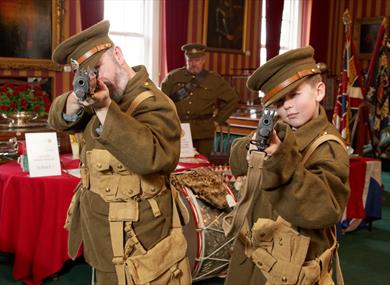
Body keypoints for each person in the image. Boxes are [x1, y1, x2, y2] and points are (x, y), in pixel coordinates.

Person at [48, 20, 191, 285]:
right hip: (100, 229)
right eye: (87, 75)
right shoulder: (97, 97)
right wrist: (76, 98)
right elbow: (56, 119)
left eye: (98, 68)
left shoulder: (154, 102)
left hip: (140, 237)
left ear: (118, 54)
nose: (96, 79)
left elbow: (155, 158)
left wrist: (104, 109)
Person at [224, 46, 350, 285]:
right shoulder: (280, 129)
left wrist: (280, 159)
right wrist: (253, 147)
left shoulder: (328, 145)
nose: (288, 106)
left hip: (293, 265)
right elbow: (237, 160)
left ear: (319, 91)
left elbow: (324, 209)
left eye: (294, 95)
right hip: (255, 253)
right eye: (280, 101)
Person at [161, 43, 239, 158]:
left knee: (202, 167)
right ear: (186, 59)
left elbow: (233, 100)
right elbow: (161, 102)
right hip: (179, 129)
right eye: (190, 60)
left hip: (204, 131)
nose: (193, 64)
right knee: (178, 165)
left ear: (203, 60)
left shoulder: (214, 80)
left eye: (197, 60)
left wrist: (217, 120)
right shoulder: (172, 78)